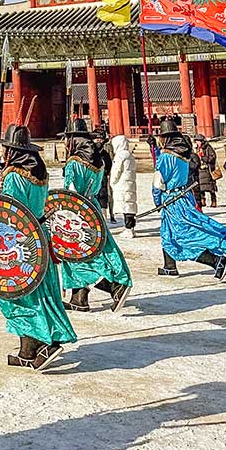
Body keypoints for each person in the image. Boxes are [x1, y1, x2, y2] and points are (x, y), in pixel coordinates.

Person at [0, 124, 77, 370]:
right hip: (40, 235)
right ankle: (28, 349)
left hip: (19, 241)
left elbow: (10, 212)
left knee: (18, 294)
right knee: (41, 291)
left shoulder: (14, 177)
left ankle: (46, 341)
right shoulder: (41, 174)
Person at [59, 129, 133, 313]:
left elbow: (71, 190)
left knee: (76, 255)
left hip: (77, 213)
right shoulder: (98, 162)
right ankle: (79, 299)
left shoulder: (73, 163)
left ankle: (113, 287)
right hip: (94, 209)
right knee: (98, 250)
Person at [152, 119, 226, 279]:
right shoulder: (184, 155)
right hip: (183, 196)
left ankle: (216, 261)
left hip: (171, 200)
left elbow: (158, 182)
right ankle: (169, 266)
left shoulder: (166, 157)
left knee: (183, 235)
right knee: (169, 232)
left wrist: (157, 200)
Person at [109, 134, 138, 233]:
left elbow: (116, 171)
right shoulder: (129, 155)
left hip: (122, 183)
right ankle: (131, 227)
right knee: (129, 205)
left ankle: (128, 228)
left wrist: (112, 182)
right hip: (129, 182)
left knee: (125, 205)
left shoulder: (120, 155)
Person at [193, 135, 218, 207]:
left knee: (210, 186)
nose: (197, 143)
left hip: (207, 169)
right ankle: (202, 199)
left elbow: (212, 157)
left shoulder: (208, 148)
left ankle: (213, 200)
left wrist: (203, 157)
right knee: (200, 186)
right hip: (200, 169)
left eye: (198, 141)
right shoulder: (196, 148)